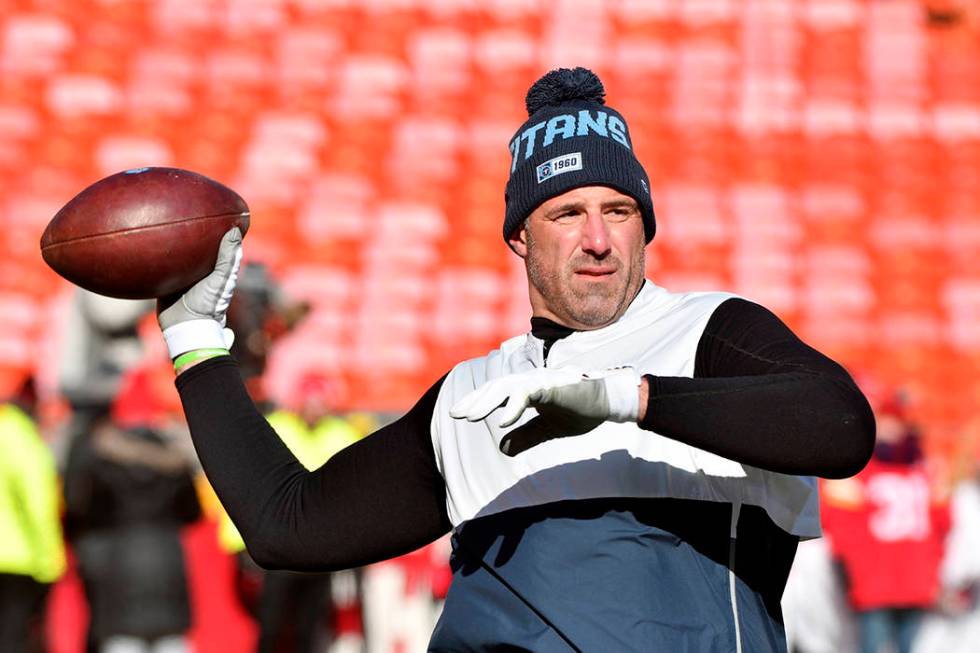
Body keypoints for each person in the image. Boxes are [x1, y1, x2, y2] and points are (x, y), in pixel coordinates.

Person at [155, 67, 875, 651]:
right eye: (566, 213)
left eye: (619, 211)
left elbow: (842, 426)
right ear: (520, 237)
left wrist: (629, 398)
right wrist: (197, 342)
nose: (598, 239)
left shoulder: (705, 333)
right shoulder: (473, 395)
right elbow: (289, 525)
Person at [63, 379, 202, 653]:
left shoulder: (99, 455)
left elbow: (82, 508)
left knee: (122, 641)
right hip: (168, 557)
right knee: (171, 641)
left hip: (117, 560)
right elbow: (192, 512)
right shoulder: (175, 458)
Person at [821, 389, 950, 653]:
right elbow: (840, 528)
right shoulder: (859, 471)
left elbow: (943, 525)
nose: (890, 431)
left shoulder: (924, 471)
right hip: (876, 584)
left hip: (912, 582)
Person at [0, 376, 67, 652]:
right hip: (17, 559)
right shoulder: (20, 436)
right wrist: (51, 559)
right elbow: (37, 499)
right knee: (14, 638)